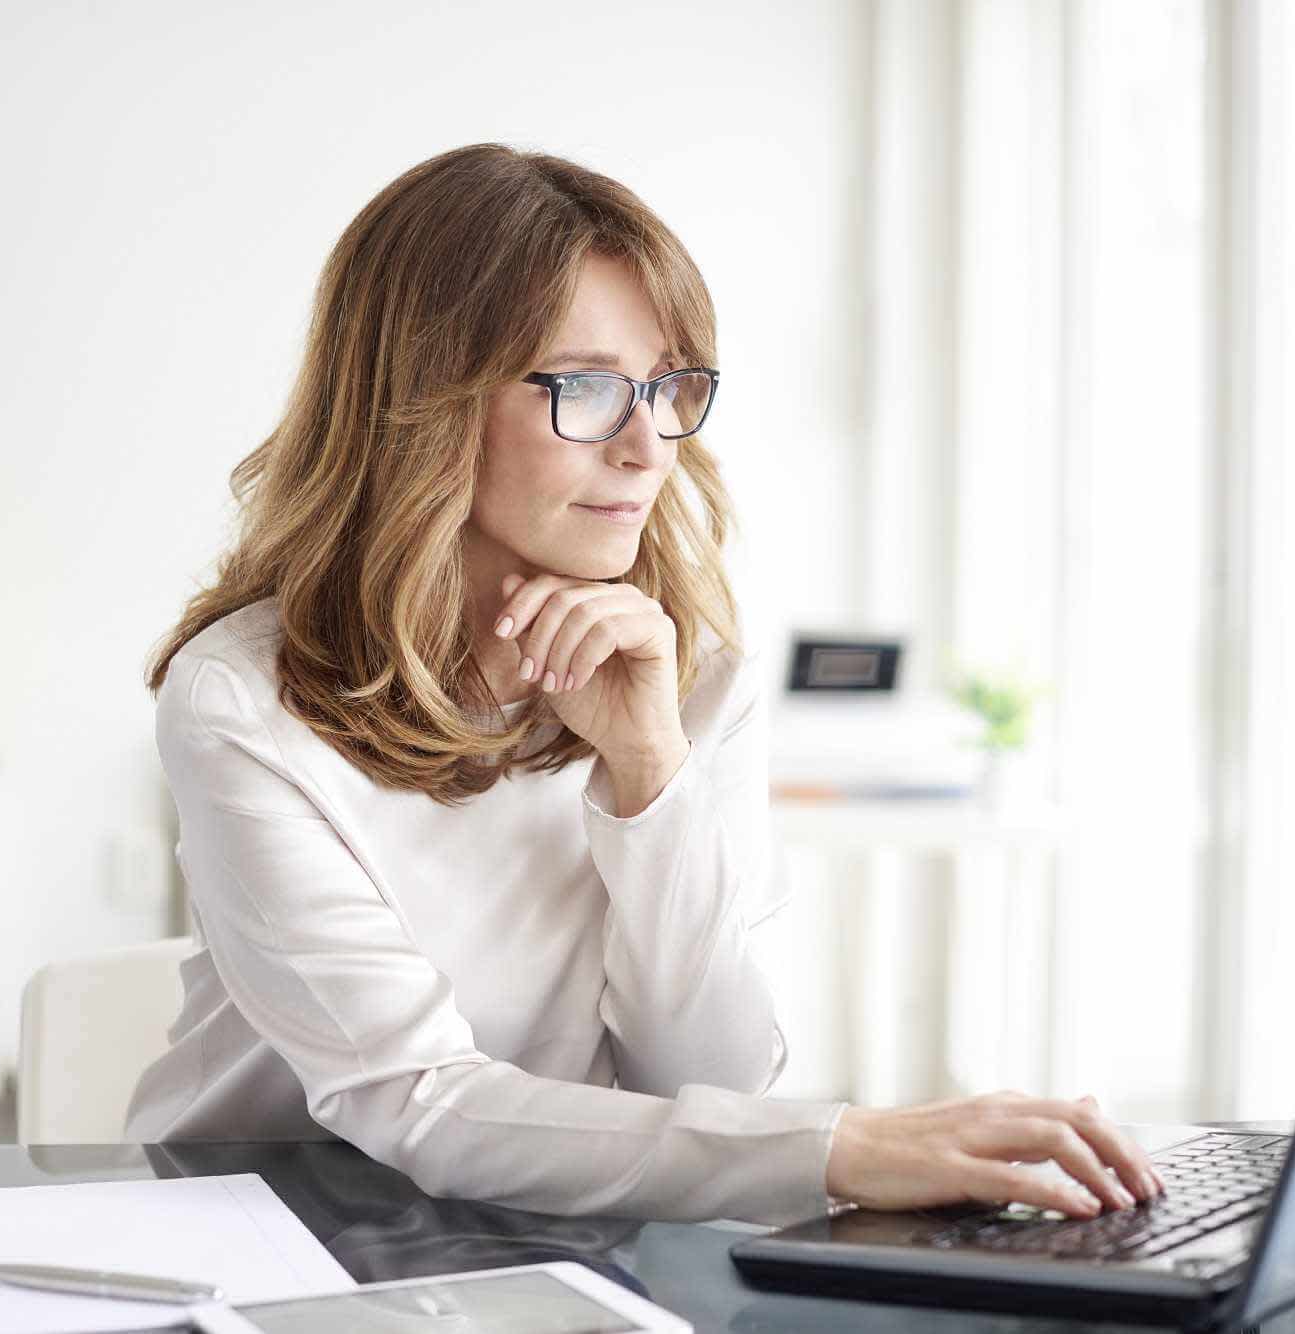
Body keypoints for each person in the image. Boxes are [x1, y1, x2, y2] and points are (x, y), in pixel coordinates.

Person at [126, 142, 1163, 1225]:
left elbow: (705, 1082)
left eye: (667, 386)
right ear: (423, 400)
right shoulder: (242, 699)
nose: (645, 445)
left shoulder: (693, 670)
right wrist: (846, 1142)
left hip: (535, 1229)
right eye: (583, 386)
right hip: (253, 1226)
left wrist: (649, 772)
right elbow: (417, 1100)